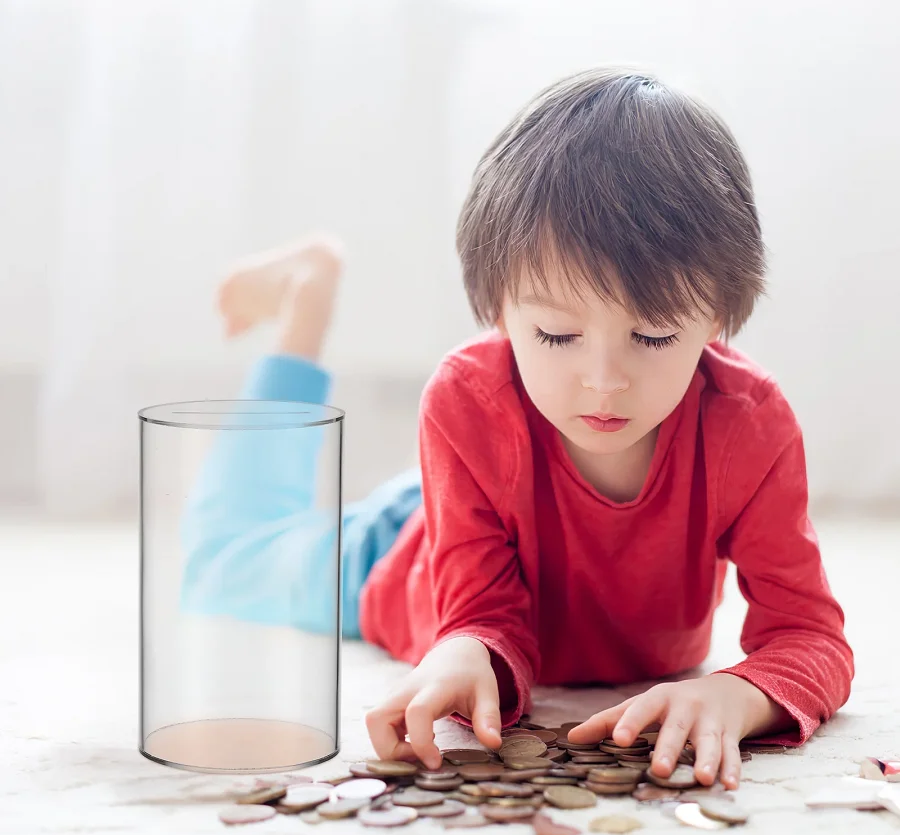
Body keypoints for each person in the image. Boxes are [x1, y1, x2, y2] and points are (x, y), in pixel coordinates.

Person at [184, 67, 854, 792]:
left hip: (496, 489)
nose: (604, 381)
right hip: (405, 551)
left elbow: (811, 636)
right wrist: (465, 648)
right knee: (218, 561)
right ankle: (304, 305)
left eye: (655, 337)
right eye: (558, 334)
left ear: (717, 320)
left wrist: (737, 693)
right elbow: (478, 612)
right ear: (498, 312)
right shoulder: (465, 398)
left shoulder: (749, 425)